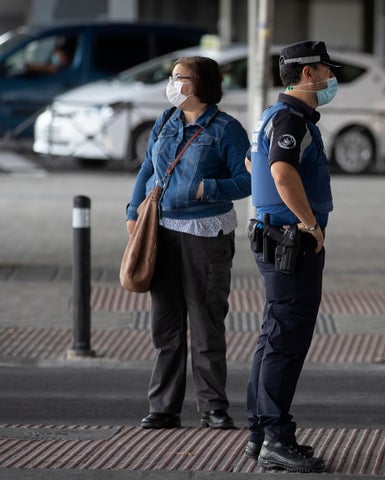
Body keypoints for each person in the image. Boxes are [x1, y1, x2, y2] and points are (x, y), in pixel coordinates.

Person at [125, 56, 251, 431]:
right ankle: (163, 407)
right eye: (173, 77)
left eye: (180, 78)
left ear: (200, 85)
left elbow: (250, 181)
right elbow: (148, 167)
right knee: (165, 326)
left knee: (206, 322)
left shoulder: (227, 130)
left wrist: (208, 188)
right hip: (159, 232)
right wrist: (133, 210)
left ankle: (213, 407)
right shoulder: (166, 121)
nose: (173, 83)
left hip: (205, 235)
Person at [243, 40, 337, 473]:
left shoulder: (271, 114)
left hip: (272, 235)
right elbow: (280, 171)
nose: (329, 77)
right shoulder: (291, 118)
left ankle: (261, 433)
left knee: (272, 336)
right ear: (306, 74)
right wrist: (309, 224)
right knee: (285, 342)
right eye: (324, 70)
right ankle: (276, 440)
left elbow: (253, 162)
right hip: (290, 242)